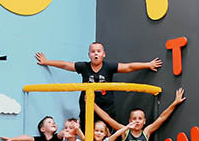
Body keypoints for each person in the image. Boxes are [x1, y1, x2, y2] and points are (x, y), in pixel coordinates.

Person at [34, 42, 162, 126]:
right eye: (93, 51)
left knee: (104, 137)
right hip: (88, 107)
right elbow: (66, 65)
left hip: (106, 108)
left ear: (103, 54)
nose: (96, 53)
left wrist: (148, 64)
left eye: (99, 51)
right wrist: (47, 62)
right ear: (89, 55)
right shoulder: (84, 66)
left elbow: (128, 67)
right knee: (88, 137)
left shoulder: (109, 67)